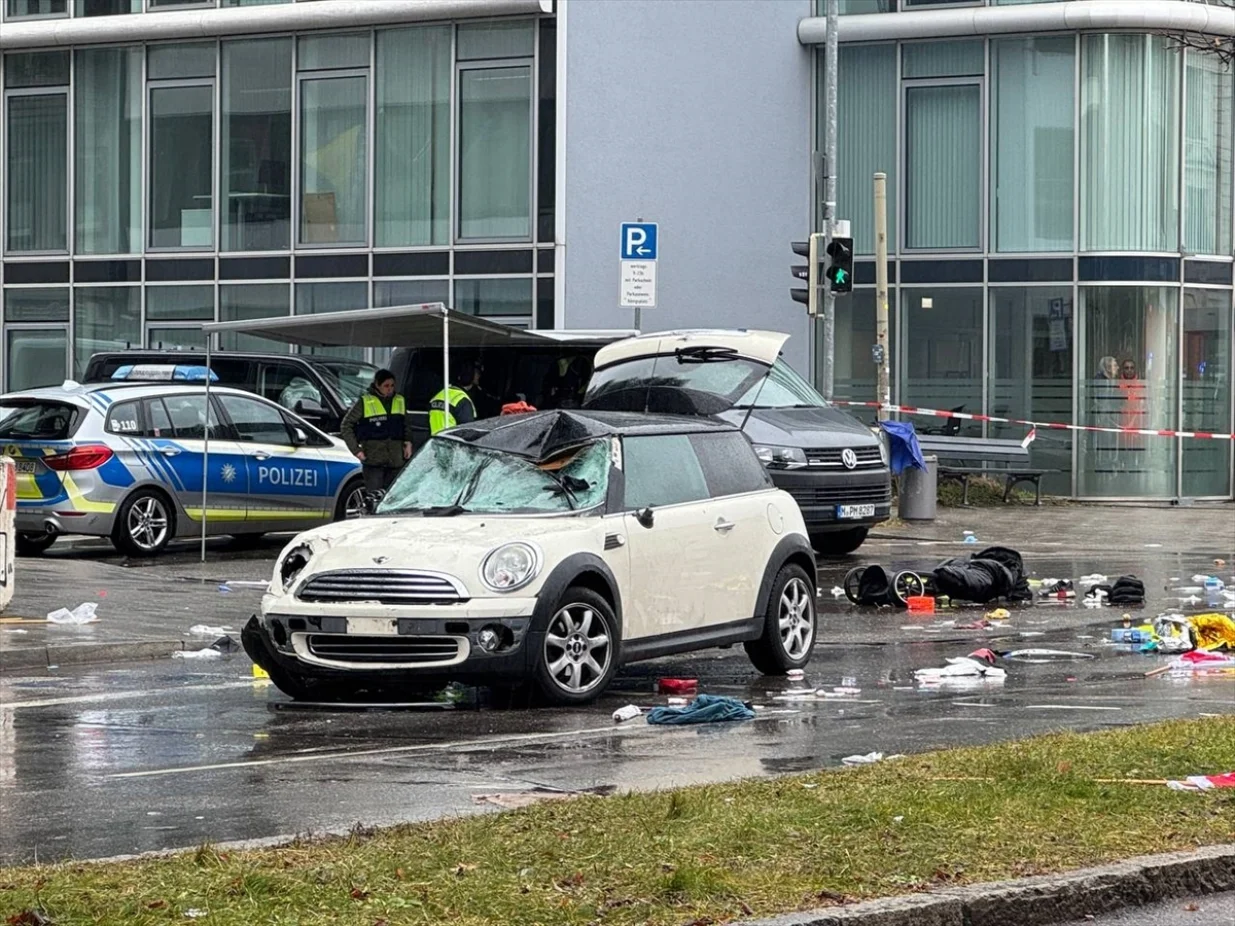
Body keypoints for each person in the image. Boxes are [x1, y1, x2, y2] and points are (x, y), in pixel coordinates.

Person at [340, 369, 412, 494]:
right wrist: (356, 450)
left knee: (392, 496)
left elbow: (405, 424)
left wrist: (408, 442)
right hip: (373, 459)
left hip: (395, 459)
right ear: (377, 385)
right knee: (374, 496)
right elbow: (346, 425)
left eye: (392, 386)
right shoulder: (365, 401)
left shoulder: (399, 400)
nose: (390, 389)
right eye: (386, 386)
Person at [429, 361, 480, 435]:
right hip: (452, 443)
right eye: (477, 373)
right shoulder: (462, 400)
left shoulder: (438, 396)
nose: (479, 376)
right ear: (471, 377)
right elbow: (468, 433)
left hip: (435, 443)